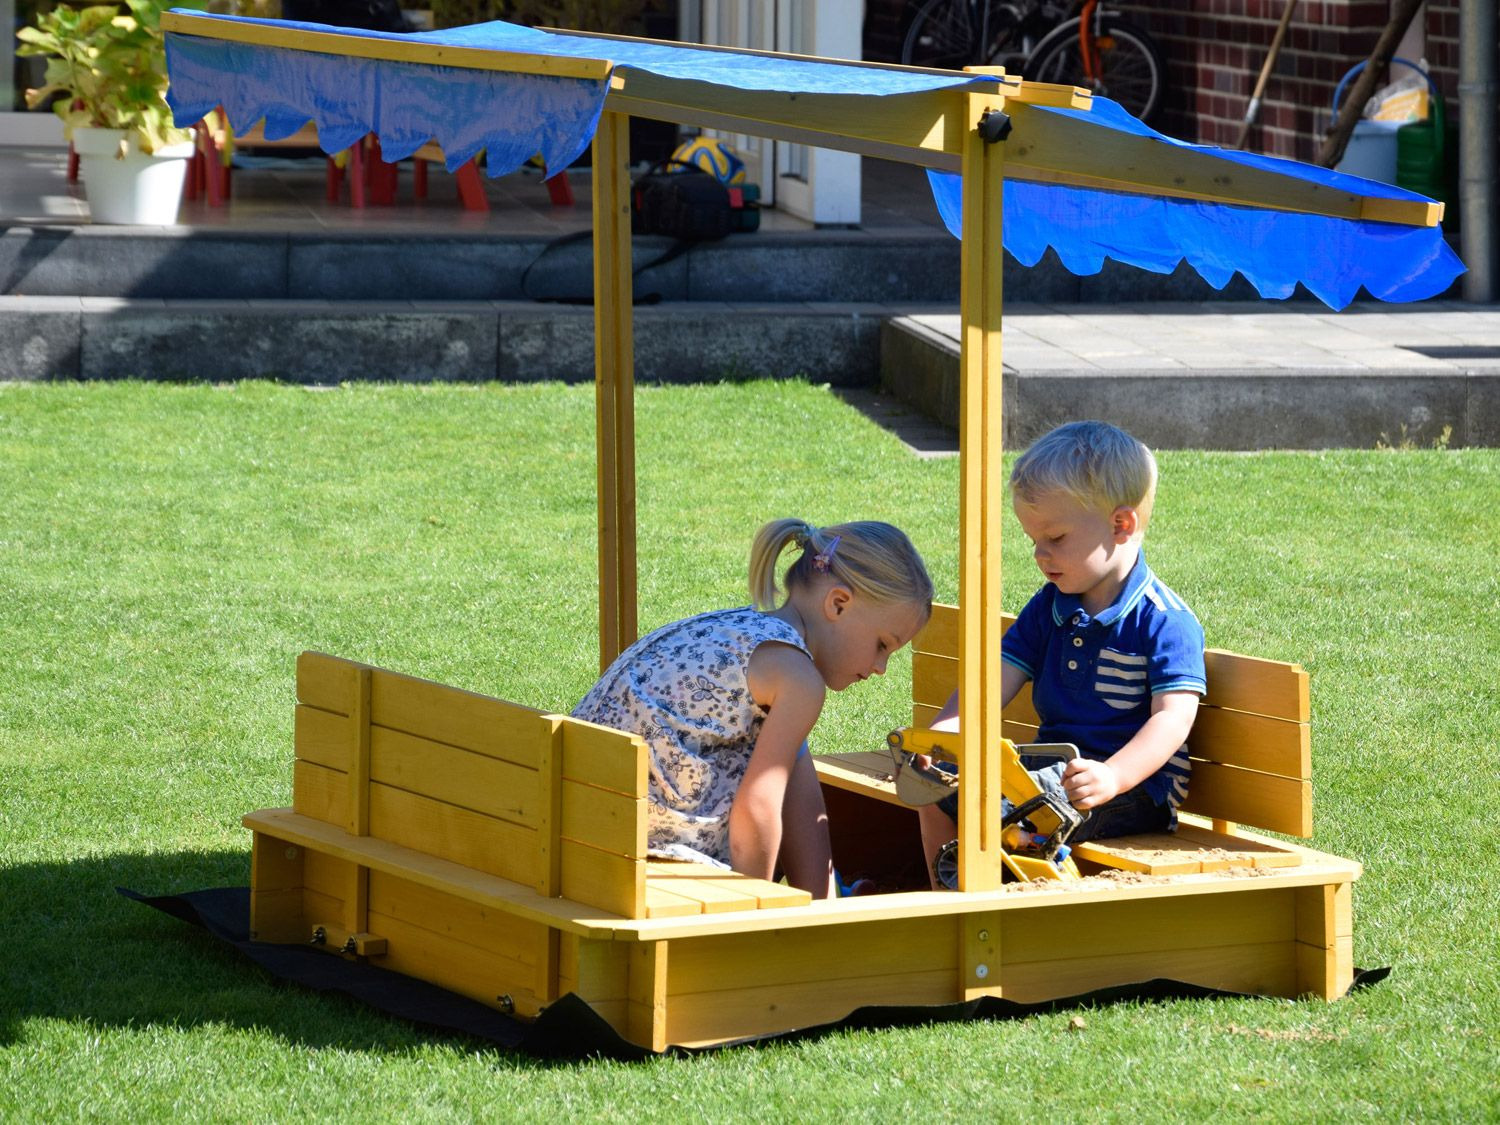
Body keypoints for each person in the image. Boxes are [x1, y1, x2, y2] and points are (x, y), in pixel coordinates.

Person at [573, 519, 933, 899]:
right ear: (838, 604)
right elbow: (758, 808)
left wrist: (821, 905)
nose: (881, 668)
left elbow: (800, 793)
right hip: (651, 859)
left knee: (790, 754)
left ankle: (825, 907)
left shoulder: (740, 630)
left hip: (579, 833)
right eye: (882, 645)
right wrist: (753, 917)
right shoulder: (798, 678)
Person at [917, 421, 1205, 879]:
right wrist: (950, 731)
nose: (1039, 554)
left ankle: (1020, 912)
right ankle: (947, 897)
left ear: (1120, 525)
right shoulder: (1049, 607)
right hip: (1051, 772)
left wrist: (1112, 776)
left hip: (1131, 790)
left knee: (1024, 817)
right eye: (1033, 540)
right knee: (937, 789)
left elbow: (1172, 718)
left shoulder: (1163, 620)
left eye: (1056, 539)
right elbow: (994, 680)